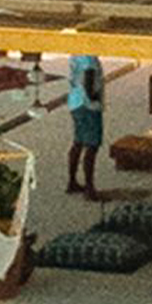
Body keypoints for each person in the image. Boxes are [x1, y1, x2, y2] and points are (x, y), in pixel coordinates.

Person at [65, 52, 106, 197]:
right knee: (92, 145)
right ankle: (89, 187)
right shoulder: (89, 57)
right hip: (88, 105)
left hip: (75, 101)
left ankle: (72, 181)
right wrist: (94, 97)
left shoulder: (76, 54)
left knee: (78, 141)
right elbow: (89, 74)